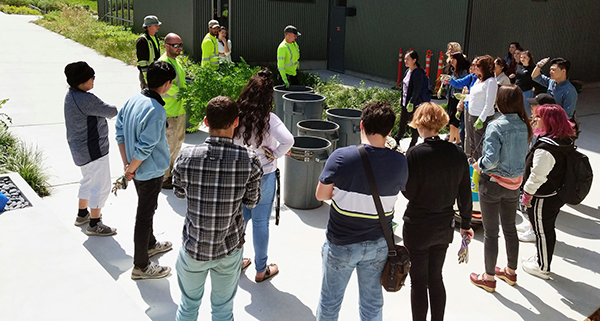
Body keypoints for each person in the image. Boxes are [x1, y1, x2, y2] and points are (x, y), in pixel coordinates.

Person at [315, 102, 408, 321]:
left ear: (361, 125)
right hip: (378, 244)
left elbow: (321, 195)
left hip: (341, 243)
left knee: (329, 303)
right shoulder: (400, 162)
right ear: (390, 131)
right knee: (372, 304)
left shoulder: (341, 157)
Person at [173, 96, 263, 321]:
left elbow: (179, 192)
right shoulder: (249, 160)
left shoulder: (186, 156)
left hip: (194, 247)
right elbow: (252, 203)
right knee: (223, 310)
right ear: (236, 122)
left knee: (187, 307)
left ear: (205, 121)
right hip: (229, 248)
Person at [402, 102, 473, 321]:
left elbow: (408, 192)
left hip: (418, 225)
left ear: (419, 123)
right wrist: (466, 225)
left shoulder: (414, 154)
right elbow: (464, 195)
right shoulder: (457, 154)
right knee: (436, 278)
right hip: (444, 225)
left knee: (418, 282)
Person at [116, 61, 175, 280]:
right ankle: (141, 265)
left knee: (147, 209)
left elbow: (119, 131)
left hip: (137, 169)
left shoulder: (134, 99)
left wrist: (128, 166)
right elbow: (145, 146)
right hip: (148, 172)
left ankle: (150, 244)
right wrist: (130, 169)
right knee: (144, 215)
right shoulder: (157, 110)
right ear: (167, 84)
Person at [470, 85, 533, 292]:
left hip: (493, 184)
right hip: (514, 185)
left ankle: (488, 278)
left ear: (501, 102)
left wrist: (478, 164)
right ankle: (511, 272)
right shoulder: (525, 125)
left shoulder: (496, 126)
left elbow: (490, 160)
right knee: (509, 229)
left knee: (490, 232)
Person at [233, 69, 294, 282]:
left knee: (239, 220)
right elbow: (289, 140)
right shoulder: (270, 119)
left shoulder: (236, 114)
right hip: (264, 174)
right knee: (260, 223)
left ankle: (236, 262)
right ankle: (261, 269)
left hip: (239, 175)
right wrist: (275, 154)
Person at [521, 104, 576, 280]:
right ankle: (540, 258)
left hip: (543, 196)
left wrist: (527, 194)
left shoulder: (546, 149)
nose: (534, 119)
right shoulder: (563, 140)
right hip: (555, 193)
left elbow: (537, 176)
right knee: (546, 228)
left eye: (538, 117)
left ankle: (542, 266)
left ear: (550, 121)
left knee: (543, 231)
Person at [64, 61, 117, 236]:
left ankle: (82, 214)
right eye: (91, 78)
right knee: (101, 185)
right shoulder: (86, 99)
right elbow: (111, 111)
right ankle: (94, 223)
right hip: (93, 150)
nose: (94, 80)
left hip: (80, 149)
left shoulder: (71, 95)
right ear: (82, 81)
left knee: (87, 180)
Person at [517, 93, 556, 243]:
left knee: (533, 204)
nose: (532, 108)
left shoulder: (549, 130)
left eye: (535, 105)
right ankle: (531, 225)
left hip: (540, 176)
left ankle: (534, 231)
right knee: (530, 207)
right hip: (530, 167)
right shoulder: (538, 123)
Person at [158, 33, 187, 189]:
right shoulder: (164, 63)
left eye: (181, 45)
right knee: (168, 146)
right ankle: (164, 177)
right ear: (167, 46)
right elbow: (166, 87)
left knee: (177, 145)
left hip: (179, 111)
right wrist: (183, 93)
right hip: (169, 112)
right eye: (176, 45)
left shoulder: (176, 62)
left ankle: (171, 173)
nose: (179, 48)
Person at [393, 50, 431, 150]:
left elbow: (417, 89)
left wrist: (412, 102)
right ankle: (396, 140)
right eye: (405, 59)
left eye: (407, 59)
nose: (405, 61)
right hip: (405, 103)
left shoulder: (417, 72)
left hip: (414, 103)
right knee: (402, 123)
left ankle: (413, 145)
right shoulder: (407, 71)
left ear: (414, 60)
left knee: (414, 125)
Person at [466, 55, 498, 160]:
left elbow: (490, 102)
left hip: (482, 118)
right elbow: (474, 96)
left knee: (480, 145)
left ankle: (482, 168)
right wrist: (465, 97)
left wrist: (481, 118)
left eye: (478, 66)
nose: (475, 68)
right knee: (473, 143)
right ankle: (475, 164)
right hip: (472, 115)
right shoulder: (478, 80)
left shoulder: (491, 82)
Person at [450, 57, 479, 155]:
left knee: (475, 134)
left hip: (478, 109)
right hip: (468, 107)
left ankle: (475, 154)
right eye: (473, 65)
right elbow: (458, 83)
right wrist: (449, 79)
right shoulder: (471, 77)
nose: (473, 67)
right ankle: (466, 154)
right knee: (464, 132)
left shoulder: (487, 80)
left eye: (476, 65)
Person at [446, 51, 470, 145]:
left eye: (453, 58)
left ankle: (451, 141)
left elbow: (462, 85)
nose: (451, 60)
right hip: (451, 96)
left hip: (459, 98)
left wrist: (451, 81)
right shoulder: (452, 70)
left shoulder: (463, 72)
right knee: (453, 119)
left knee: (454, 120)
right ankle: (457, 139)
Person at [136, 15, 161, 89]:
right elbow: (142, 61)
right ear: (149, 27)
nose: (158, 27)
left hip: (155, 72)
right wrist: (147, 78)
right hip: (147, 74)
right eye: (156, 25)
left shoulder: (155, 38)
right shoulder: (142, 41)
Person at [512, 50, 535, 115]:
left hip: (527, 91)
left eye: (524, 57)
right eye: (521, 57)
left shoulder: (532, 68)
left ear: (529, 58)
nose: (522, 59)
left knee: (525, 109)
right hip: (518, 90)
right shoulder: (519, 66)